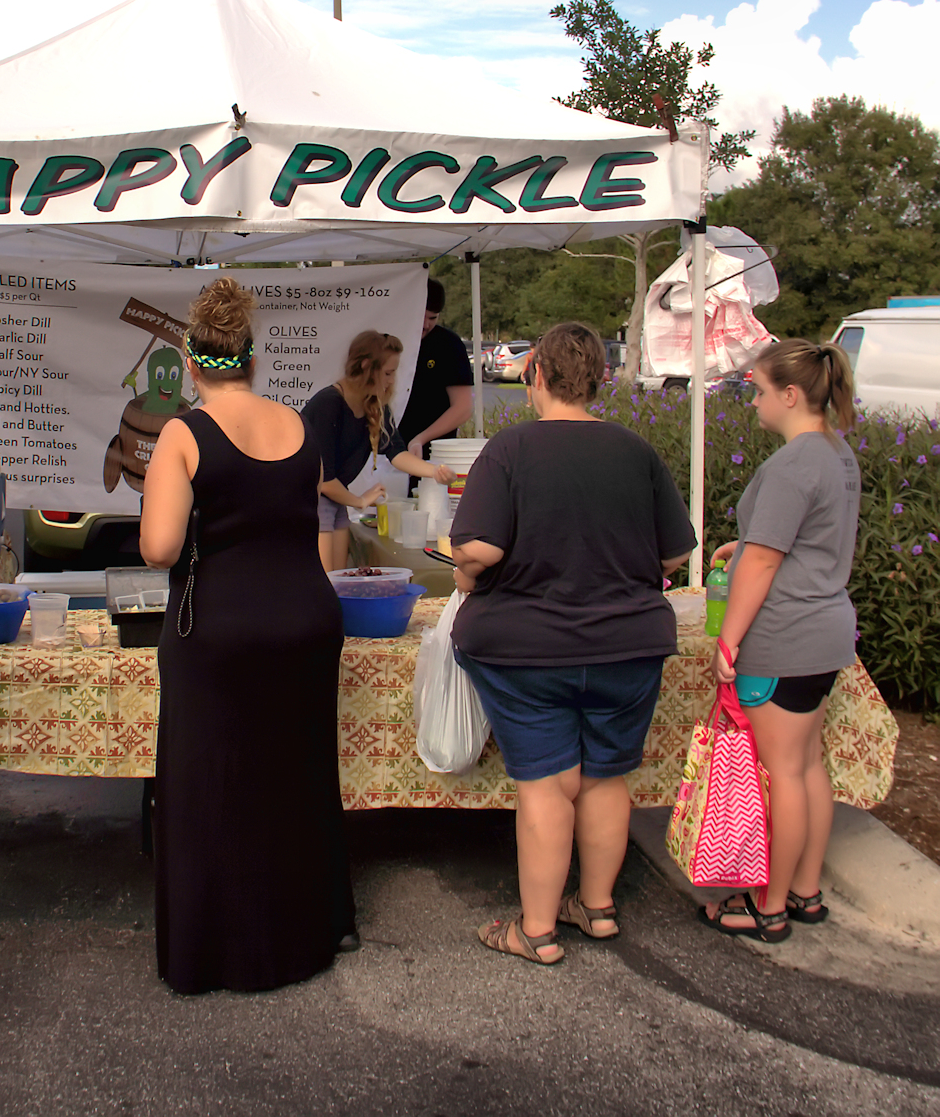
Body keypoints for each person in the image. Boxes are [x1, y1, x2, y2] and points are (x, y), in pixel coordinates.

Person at [449, 323, 695, 965]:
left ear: (534, 375)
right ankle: (598, 908)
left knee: (546, 784)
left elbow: (482, 547)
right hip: (630, 644)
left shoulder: (508, 450)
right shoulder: (636, 451)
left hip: (527, 651)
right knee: (608, 776)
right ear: (600, 380)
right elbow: (674, 553)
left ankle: (535, 931)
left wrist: (464, 571)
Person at [140, 277, 357, 994]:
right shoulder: (299, 426)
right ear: (253, 359)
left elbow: (160, 547)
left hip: (221, 634)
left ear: (192, 362)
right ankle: (303, 934)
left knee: (211, 789)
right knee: (290, 780)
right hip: (305, 624)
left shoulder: (183, 431)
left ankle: (216, 952)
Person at [700, 339, 860, 943]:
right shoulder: (835, 454)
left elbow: (765, 562)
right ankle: (805, 890)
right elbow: (804, 538)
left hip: (784, 634)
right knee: (805, 765)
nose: (755, 403)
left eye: (760, 391)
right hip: (825, 630)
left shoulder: (793, 463)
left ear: (790, 395)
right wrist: (744, 548)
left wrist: (729, 639)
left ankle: (767, 905)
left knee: (781, 775)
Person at [302, 330, 456, 573]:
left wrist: (434, 471)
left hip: (334, 501)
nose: (392, 380)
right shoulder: (328, 404)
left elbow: (397, 452)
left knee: (338, 582)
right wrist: (360, 501)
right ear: (365, 367)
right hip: (309, 502)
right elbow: (325, 479)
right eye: (388, 373)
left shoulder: (374, 405)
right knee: (325, 583)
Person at [399, 278, 474, 464]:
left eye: (432, 318)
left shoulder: (449, 344)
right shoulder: (389, 340)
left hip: (435, 454)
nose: (425, 325)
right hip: (389, 454)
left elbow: (463, 408)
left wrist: (421, 439)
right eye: (420, 316)